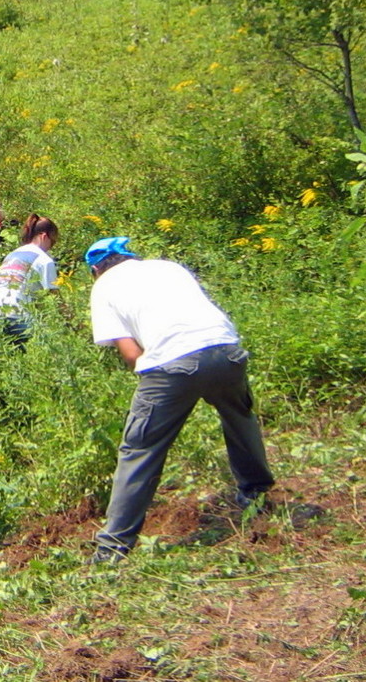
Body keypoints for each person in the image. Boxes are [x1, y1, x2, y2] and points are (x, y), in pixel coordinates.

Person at [85, 236, 275, 564]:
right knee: (239, 416)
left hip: (172, 366)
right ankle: (256, 494)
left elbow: (131, 354)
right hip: (226, 349)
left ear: (95, 270)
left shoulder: (103, 287)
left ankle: (112, 548)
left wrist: (158, 389)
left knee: (140, 449)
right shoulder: (167, 267)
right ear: (131, 256)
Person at [0, 214, 59, 348]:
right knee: (41, 353)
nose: (52, 246)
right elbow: (55, 299)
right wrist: (71, 321)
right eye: (53, 241)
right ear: (44, 236)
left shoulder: (13, 255)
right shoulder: (44, 260)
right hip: (17, 315)